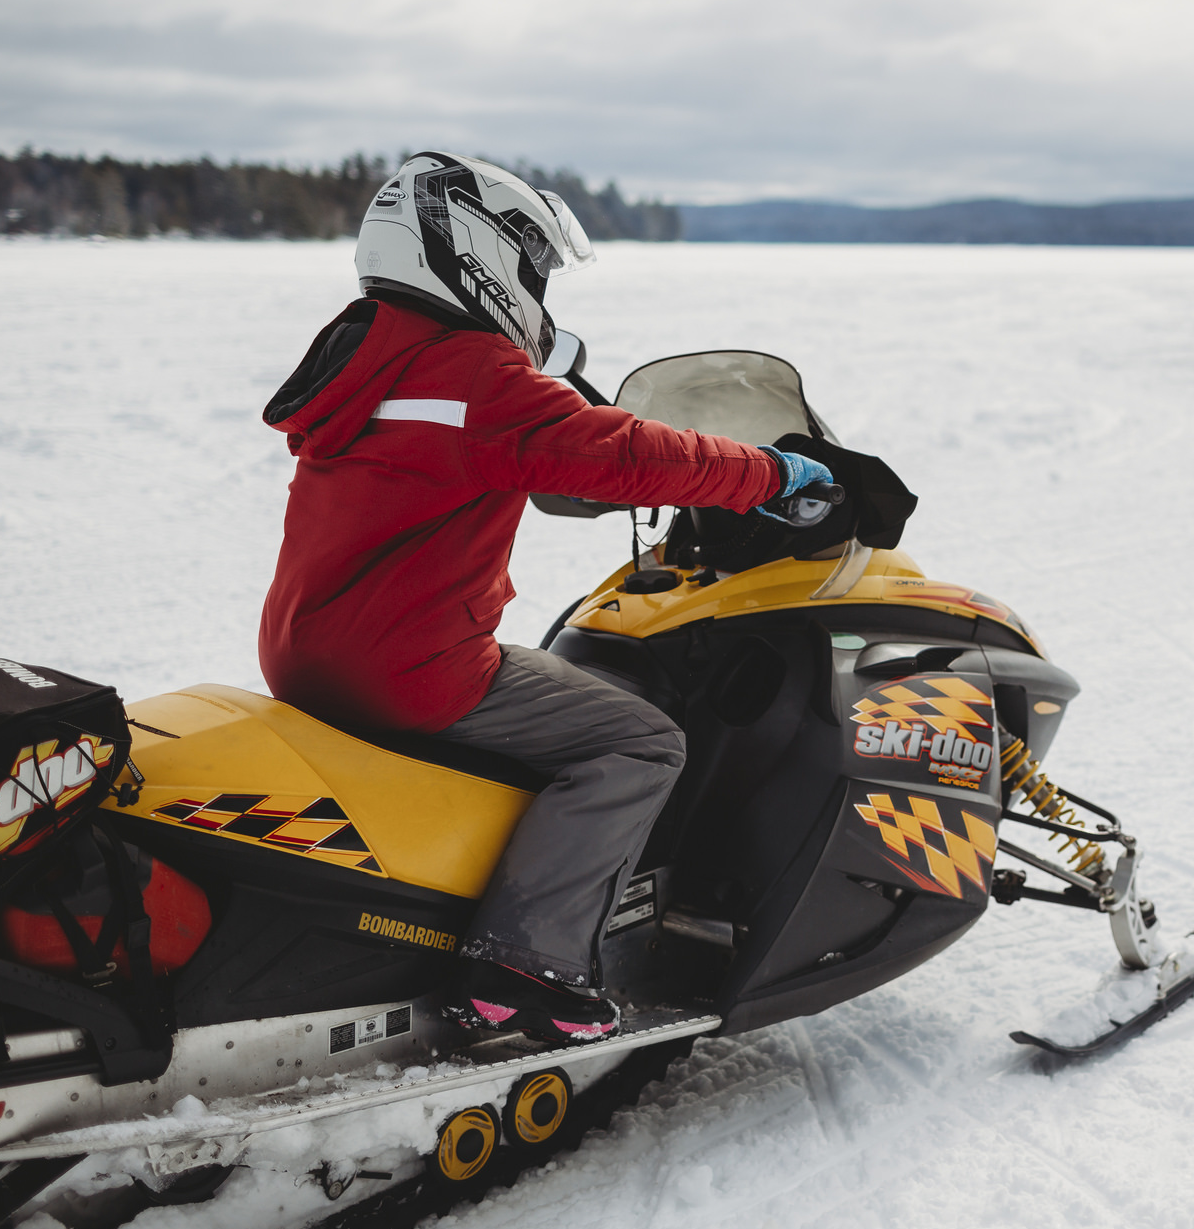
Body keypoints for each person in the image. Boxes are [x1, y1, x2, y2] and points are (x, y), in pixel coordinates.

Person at [257, 152, 831, 1044]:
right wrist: (771, 472)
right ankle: (525, 967)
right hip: (411, 670)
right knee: (640, 740)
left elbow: (516, 452)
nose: (535, 286)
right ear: (478, 251)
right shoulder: (476, 374)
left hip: (304, 650)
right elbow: (631, 455)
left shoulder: (364, 357)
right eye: (531, 263)